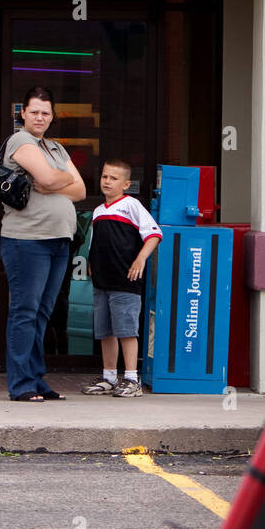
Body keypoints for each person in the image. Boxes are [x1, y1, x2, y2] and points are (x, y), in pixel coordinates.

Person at [0, 87, 85, 402]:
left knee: (42, 313)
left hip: (58, 240)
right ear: (23, 113)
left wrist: (53, 178)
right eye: (34, 111)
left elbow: (80, 189)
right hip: (27, 240)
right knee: (25, 311)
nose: (40, 117)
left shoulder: (56, 148)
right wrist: (59, 179)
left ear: (52, 116)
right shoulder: (20, 141)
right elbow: (53, 181)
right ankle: (21, 384)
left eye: (46, 113)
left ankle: (36, 380)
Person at [80, 159, 161, 397]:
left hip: (125, 279)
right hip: (102, 280)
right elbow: (96, 241)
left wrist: (140, 259)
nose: (107, 181)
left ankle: (131, 379)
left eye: (113, 178)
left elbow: (154, 234)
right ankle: (108, 377)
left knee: (126, 329)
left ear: (126, 184)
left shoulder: (131, 205)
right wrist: (92, 264)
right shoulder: (97, 211)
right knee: (105, 331)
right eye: (104, 176)